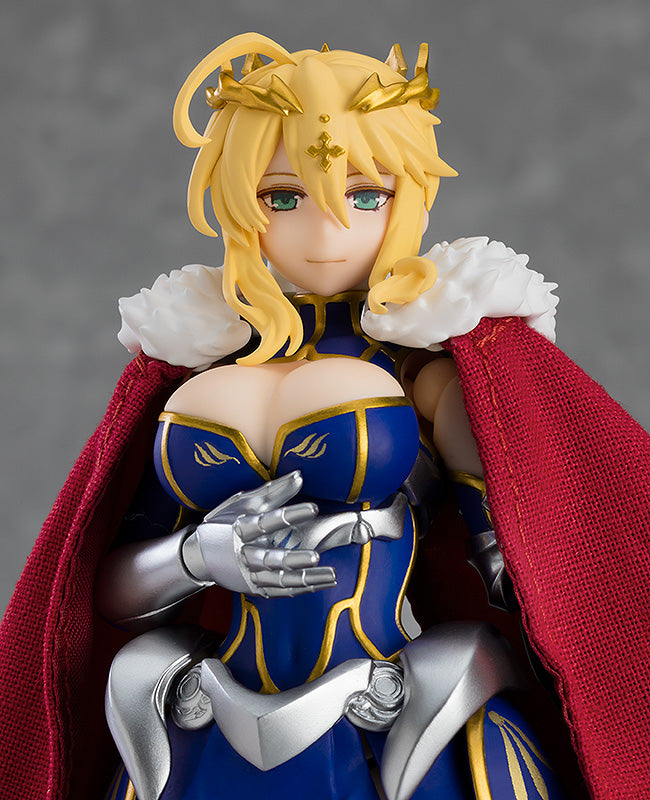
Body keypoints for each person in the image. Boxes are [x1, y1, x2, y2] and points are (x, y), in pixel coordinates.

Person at [1, 32, 649, 800]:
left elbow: (531, 570)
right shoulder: (204, 358)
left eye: (366, 195)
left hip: (392, 711)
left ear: (409, 195)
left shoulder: (429, 370)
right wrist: (199, 557)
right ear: (238, 199)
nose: (325, 230)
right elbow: (106, 593)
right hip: (211, 709)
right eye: (283, 198)